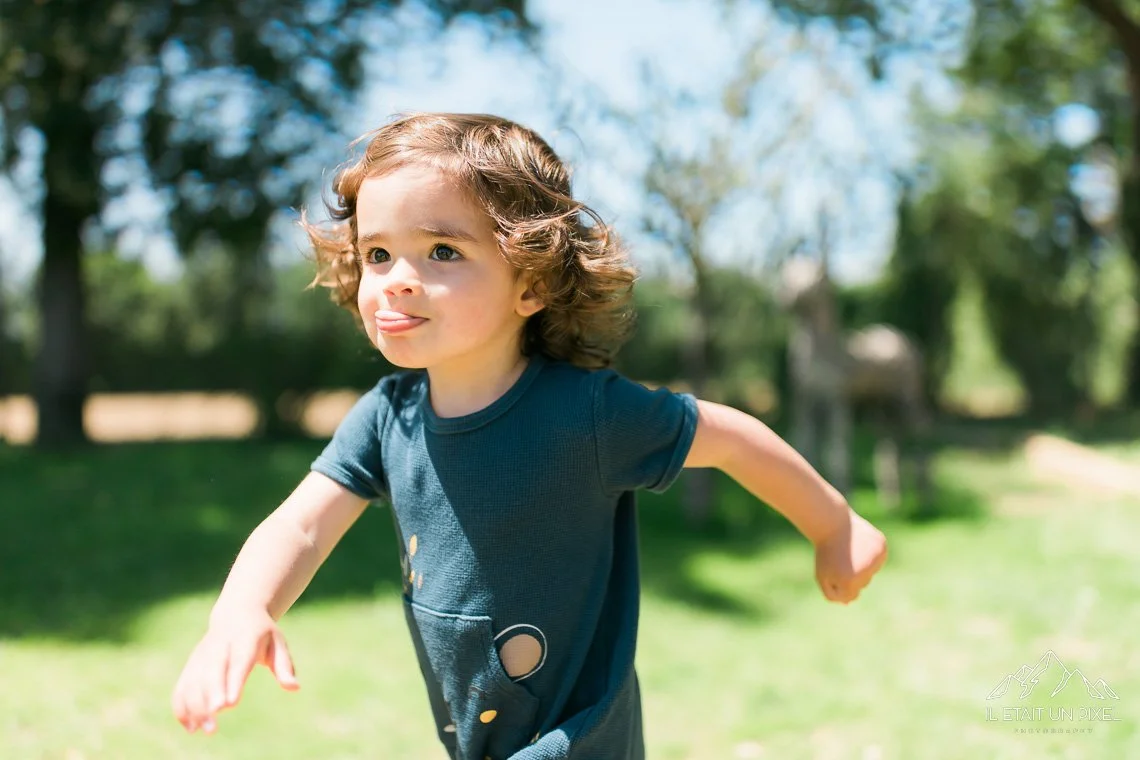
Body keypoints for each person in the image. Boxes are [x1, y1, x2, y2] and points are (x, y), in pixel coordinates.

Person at [170, 112, 888, 758]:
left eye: (442, 252)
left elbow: (729, 438)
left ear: (531, 283)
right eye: (378, 254)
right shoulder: (388, 418)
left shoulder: (587, 416)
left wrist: (834, 525)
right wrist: (242, 610)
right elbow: (300, 526)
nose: (395, 280)